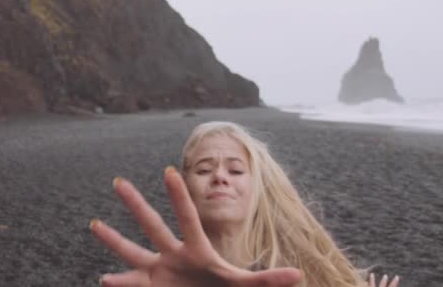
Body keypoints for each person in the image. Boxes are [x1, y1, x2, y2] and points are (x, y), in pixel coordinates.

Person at [90, 121, 400, 287]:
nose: (220, 177)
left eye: (236, 170)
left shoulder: (297, 276)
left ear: (258, 187)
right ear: (183, 188)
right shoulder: (162, 278)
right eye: (203, 169)